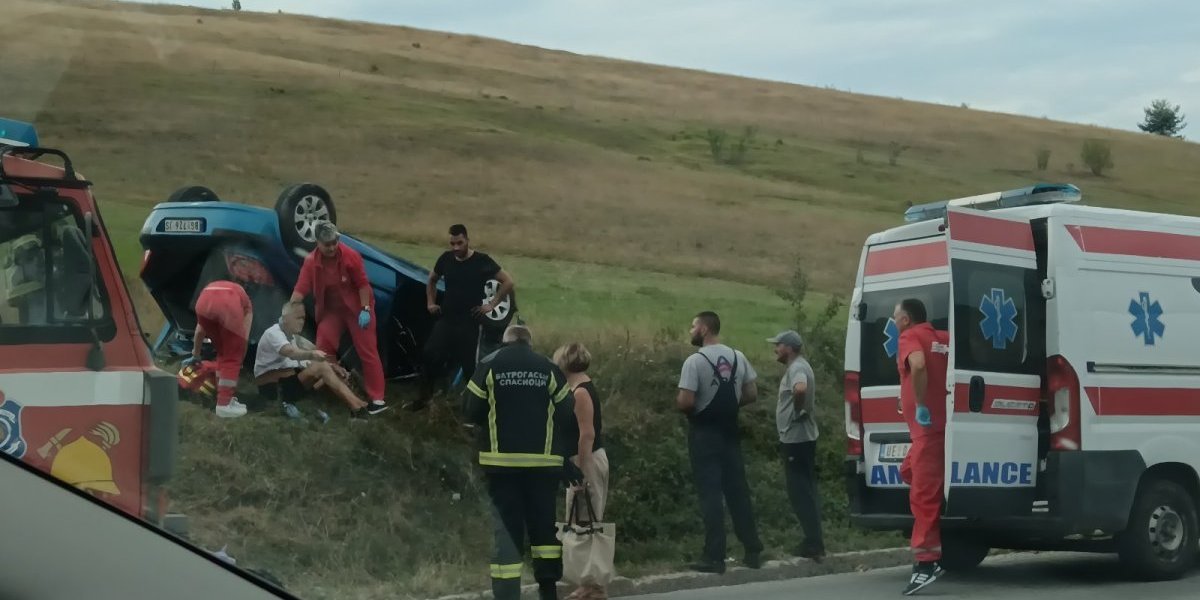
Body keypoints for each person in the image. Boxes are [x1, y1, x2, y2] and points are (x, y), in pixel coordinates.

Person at [464, 325, 571, 600]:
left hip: (502, 466)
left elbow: (471, 409)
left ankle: (507, 594)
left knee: (507, 532)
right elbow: (567, 412)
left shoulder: (489, 364)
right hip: (544, 466)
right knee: (544, 530)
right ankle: (548, 590)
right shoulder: (548, 367)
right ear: (530, 344)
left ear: (505, 342)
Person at [676, 311, 764, 574]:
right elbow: (751, 393)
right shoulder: (738, 356)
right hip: (730, 432)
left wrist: (681, 405)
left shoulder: (695, 361)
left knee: (711, 495)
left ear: (704, 329)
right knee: (738, 492)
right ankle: (753, 550)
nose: (690, 331)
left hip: (704, 435)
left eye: (693, 326)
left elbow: (687, 401)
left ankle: (714, 557)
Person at [288, 222, 389, 415]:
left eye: (335, 242)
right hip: (331, 310)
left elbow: (363, 285)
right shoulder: (311, 262)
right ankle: (333, 388)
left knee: (367, 349)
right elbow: (300, 290)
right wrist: (289, 312)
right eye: (327, 244)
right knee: (322, 349)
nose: (332, 247)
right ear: (317, 243)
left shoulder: (350, 256)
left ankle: (378, 399)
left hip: (357, 309)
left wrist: (366, 309)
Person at [418, 223, 515, 410]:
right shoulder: (446, 259)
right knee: (429, 353)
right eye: (452, 243)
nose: (456, 248)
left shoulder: (482, 261)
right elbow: (432, 279)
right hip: (447, 318)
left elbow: (508, 281)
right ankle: (425, 399)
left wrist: (492, 305)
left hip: (469, 321)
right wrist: (430, 302)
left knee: (470, 366)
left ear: (468, 241)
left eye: (459, 243)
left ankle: (474, 409)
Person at [893, 298, 950, 596]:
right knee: (910, 472)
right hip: (935, 431)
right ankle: (938, 532)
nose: (893, 323)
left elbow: (917, 365)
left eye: (894, 318)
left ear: (905, 320)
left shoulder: (910, 337)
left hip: (927, 430)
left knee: (923, 498)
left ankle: (926, 564)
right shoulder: (941, 338)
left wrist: (921, 404)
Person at [553, 342, 609, 600]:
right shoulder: (582, 387)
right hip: (587, 459)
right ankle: (587, 582)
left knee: (586, 521)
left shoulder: (580, 393)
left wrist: (579, 474)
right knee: (583, 520)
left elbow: (586, 435)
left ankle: (593, 585)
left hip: (586, 460)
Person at [253, 302, 375, 420]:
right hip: (271, 388)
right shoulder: (273, 333)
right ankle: (357, 408)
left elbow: (305, 359)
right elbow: (291, 352)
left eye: (303, 318)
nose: (302, 322)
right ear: (285, 318)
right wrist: (312, 355)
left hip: (286, 383)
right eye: (298, 318)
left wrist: (332, 366)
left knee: (329, 371)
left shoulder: (293, 337)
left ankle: (359, 403)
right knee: (321, 367)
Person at [766, 329, 825, 561]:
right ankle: (814, 540)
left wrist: (797, 411)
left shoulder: (797, 368)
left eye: (778, 345)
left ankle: (813, 543)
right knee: (805, 490)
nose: (776, 349)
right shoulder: (799, 366)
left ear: (789, 348)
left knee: (800, 492)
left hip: (796, 439)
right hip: (801, 438)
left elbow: (800, 389)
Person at [188, 280, 253, 418]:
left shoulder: (218, 285)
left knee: (222, 353)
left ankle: (223, 397)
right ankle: (223, 405)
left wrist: (196, 354)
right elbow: (243, 339)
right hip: (227, 304)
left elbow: (200, 330)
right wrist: (239, 358)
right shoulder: (247, 305)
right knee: (232, 356)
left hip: (203, 301)